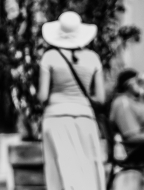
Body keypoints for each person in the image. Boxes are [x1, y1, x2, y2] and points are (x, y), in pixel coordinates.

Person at [36, 11, 106, 190]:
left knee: (60, 167)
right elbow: (101, 98)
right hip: (85, 118)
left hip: (55, 117)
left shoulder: (50, 57)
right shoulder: (93, 58)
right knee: (87, 166)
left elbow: (43, 96)